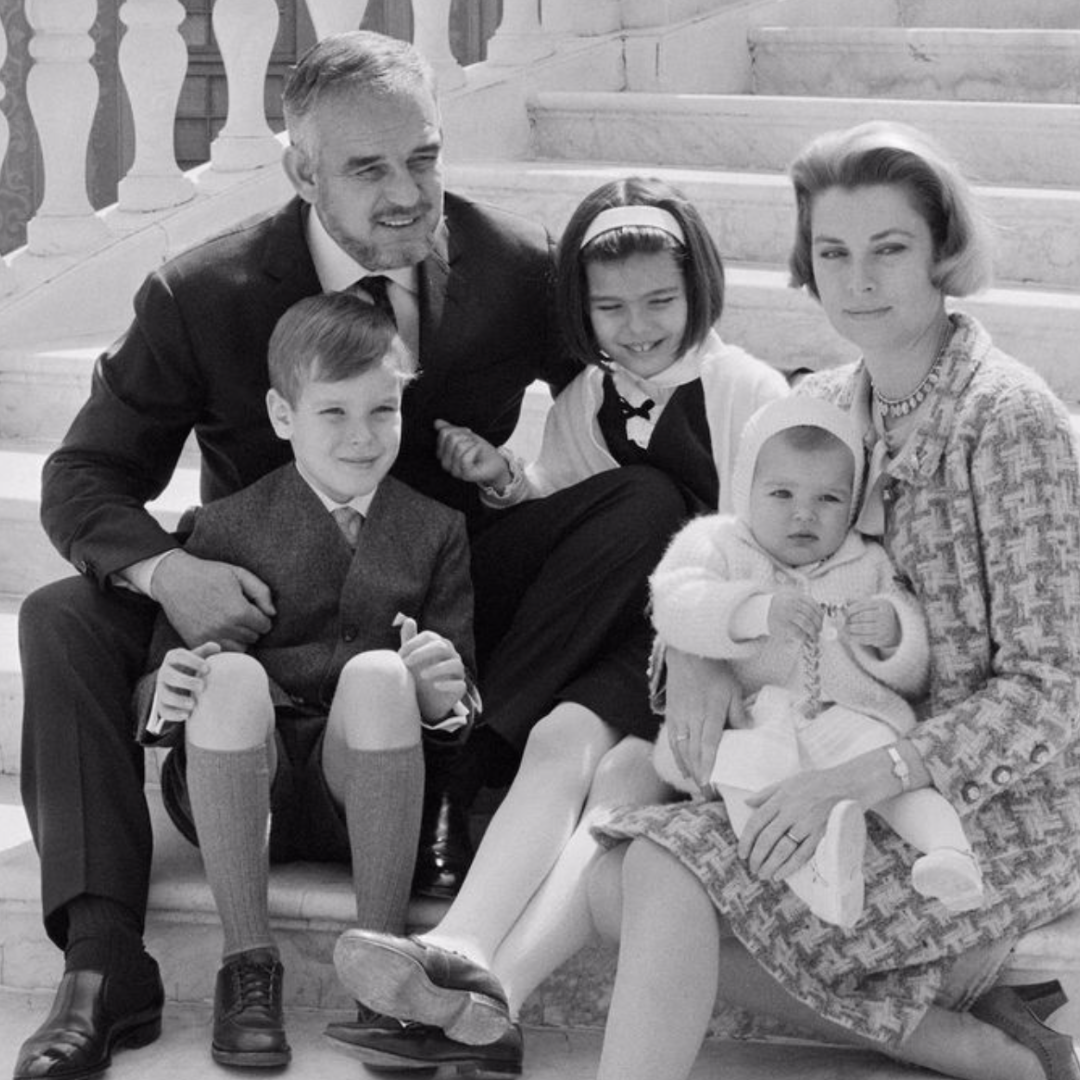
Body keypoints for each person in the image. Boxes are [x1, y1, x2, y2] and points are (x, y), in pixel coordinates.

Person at [14, 28, 677, 1080]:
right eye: (369, 170)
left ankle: (474, 772)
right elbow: (85, 476)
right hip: (260, 612)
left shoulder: (513, 268)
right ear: (301, 170)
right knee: (60, 615)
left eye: (424, 157)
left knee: (647, 508)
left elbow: (656, 365)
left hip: (445, 604)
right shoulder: (203, 293)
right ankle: (102, 966)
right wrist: (171, 575)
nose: (408, 194)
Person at [584, 120, 1080, 1080]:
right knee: (613, 881)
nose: (858, 279)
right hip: (822, 746)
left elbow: (1055, 690)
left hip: (1002, 809)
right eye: (833, 252)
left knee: (654, 875)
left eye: (889, 248)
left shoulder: (1009, 423)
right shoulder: (829, 406)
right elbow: (732, 560)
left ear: (942, 250)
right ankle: (943, 1037)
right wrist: (695, 653)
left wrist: (861, 779)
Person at [323, 177, 789, 1073]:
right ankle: (460, 949)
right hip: (624, 637)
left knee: (623, 770)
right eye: (610, 307)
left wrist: (716, 660)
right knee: (560, 739)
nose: (638, 325)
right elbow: (568, 507)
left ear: (700, 291)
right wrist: (506, 480)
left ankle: (493, 985)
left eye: (660, 300)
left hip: (711, 650)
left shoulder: (743, 389)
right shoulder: (588, 397)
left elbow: (767, 546)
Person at [134, 292, 476, 1067]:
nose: (362, 437)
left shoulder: (436, 529)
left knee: (385, 672)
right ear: (283, 415)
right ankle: (246, 962)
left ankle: (383, 963)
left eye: (382, 411)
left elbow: (459, 681)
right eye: (333, 413)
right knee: (229, 675)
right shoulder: (223, 526)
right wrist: (172, 687)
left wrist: (442, 697)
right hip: (239, 784)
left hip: (367, 789)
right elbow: (156, 675)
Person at [651, 394, 983, 930]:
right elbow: (674, 604)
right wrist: (754, 613)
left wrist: (893, 634)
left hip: (846, 717)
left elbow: (917, 672)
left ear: (852, 506)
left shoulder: (867, 561)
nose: (803, 513)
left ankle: (949, 853)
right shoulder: (716, 543)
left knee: (892, 762)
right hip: (754, 719)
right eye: (781, 493)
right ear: (745, 490)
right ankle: (821, 873)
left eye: (829, 498)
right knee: (743, 771)